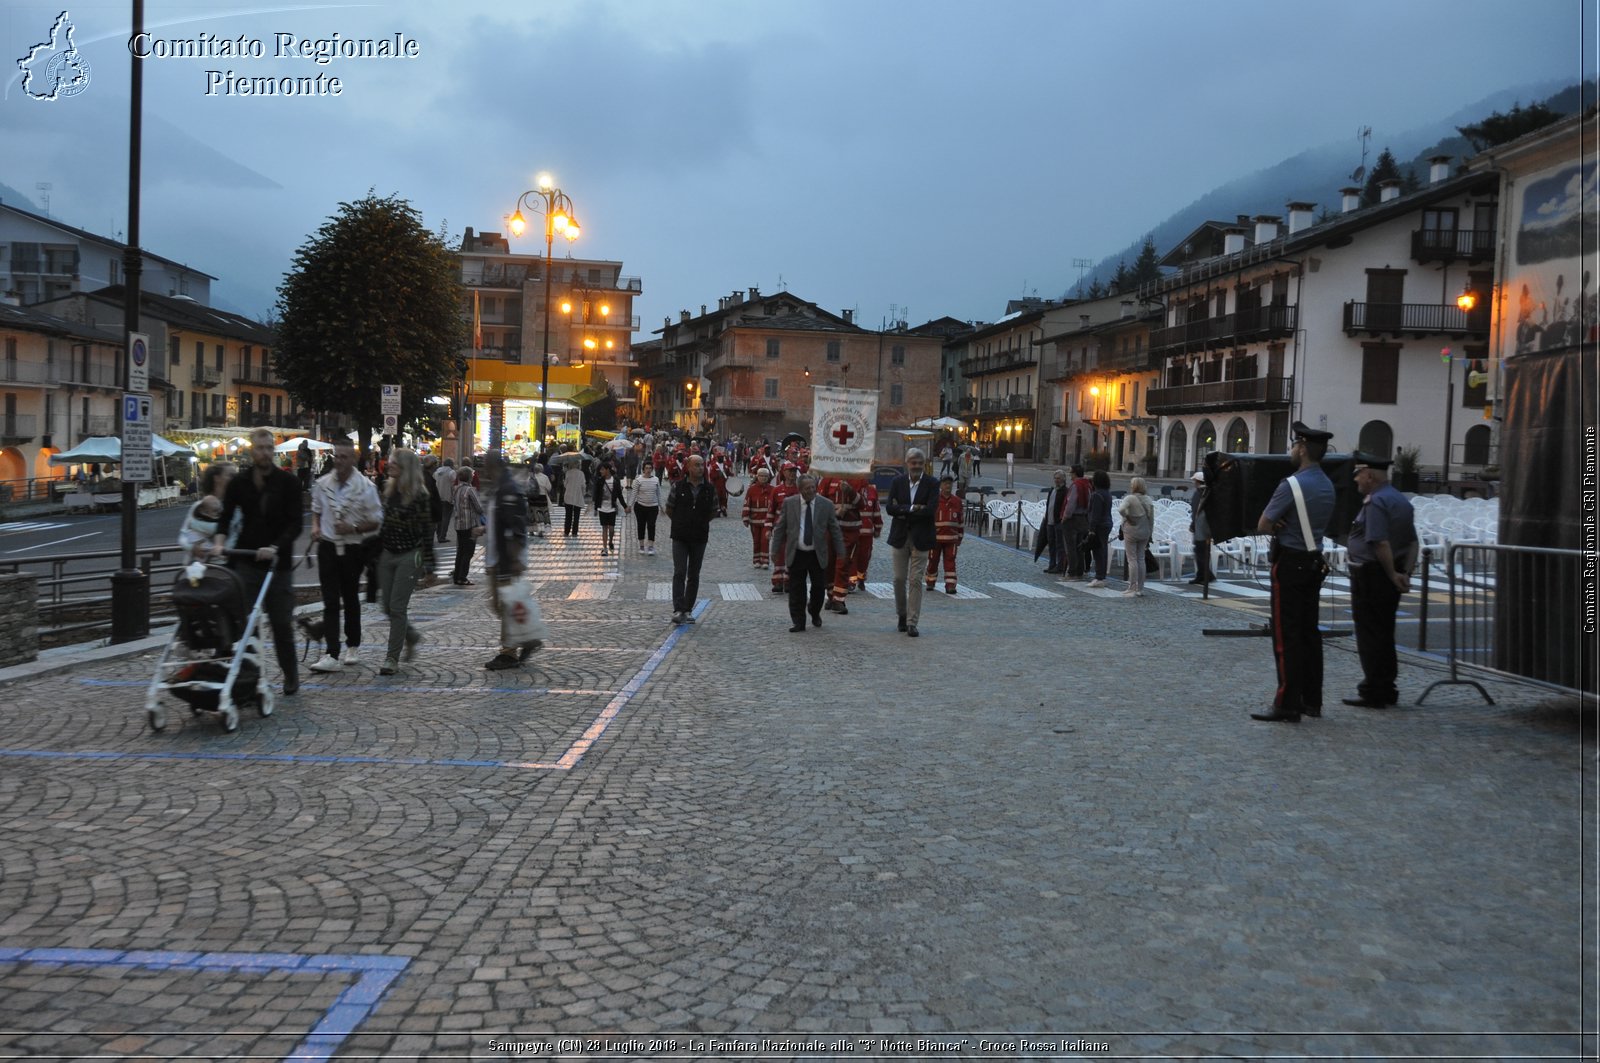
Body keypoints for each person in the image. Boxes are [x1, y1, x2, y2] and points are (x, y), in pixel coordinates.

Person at [1251, 422, 1336, 724]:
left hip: (1289, 564)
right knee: (1309, 634)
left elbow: (1263, 523)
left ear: (1301, 449)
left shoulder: (1292, 484)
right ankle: (1312, 700)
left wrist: (1277, 525)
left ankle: (1287, 703)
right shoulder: (1327, 484)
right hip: (1313, 561)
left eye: (1294, 446)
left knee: (1286, 636)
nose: (1292, 450)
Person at [212, 427, 302, 697]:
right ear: (252, 450)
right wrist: (219, 542)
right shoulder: (239, 483)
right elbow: (226, 517)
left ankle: (290, 674)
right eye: (260, 448)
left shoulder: (288, 483)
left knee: (281, 623)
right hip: (246, 560)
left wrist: (275, 547)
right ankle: (249, 677)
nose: (265, 453)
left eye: (269, 448)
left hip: (278, 564)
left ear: (273, 450)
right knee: (245, 622)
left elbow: (295, 523)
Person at [1342, 452, 1417, 709]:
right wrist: (1404, 573)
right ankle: (1386, 687)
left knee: (1370, 634)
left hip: (1372, 574)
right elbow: (1413, 542)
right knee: (1385, 632)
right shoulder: (1400, 500)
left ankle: (1373, 689)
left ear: (1370, 475)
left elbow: (1379, 542)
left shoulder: (1375, 502)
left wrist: (1391, 574)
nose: (1356, 481)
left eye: (1359, 475)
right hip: (1391, 573)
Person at [308, 440, 384, 673]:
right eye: (337, 456)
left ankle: (353, 644)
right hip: (328, 547)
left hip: (352, 548)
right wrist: (315, 527)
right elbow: (317, 510)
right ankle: (332, 652)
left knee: (350, 597)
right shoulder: (322, 484)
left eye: (344, 457)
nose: (339, 461)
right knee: (330, 600)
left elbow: (377, 519)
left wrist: (353, 528)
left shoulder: (365, 487)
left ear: (353, 459)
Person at [374, 448, 434, 676]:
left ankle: (392, 658)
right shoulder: (388, 490)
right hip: (388, 552)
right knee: (387, 606)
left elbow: (427, 531)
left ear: (406, 468)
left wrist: (429, 565)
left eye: (394, 464)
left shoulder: (420, 495)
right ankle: (411, 635)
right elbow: (383, 524)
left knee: (397, 607)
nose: (389, 466)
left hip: (410, 554)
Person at [483, 451, 544, 669]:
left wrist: (516, 556)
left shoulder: (508, 489)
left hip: (506, 557)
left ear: (494, 466)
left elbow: (516, 526)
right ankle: (527, 638)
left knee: (506, 604)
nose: (485, 470)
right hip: (497, 556)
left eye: (486, 465)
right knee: (499, 604)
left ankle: (508, 652)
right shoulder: (499, 488)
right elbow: (499, 521)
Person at [768, 473, 845, 633]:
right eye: (807, 488)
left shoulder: (826, 505)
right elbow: (781, 527)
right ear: (800, 489)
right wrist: (774, 550)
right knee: (797, 589)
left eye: (813, 487)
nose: (811, 490)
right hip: (797, 553)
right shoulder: (790, 504)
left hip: (817, 553)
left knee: (818, 588)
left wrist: (841, 550)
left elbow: (834, 529)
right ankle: (798, 621)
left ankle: (814, 611)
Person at [885, 447, 938, 637]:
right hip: (900, 536)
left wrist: (903, 509)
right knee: (899, 579)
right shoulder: (897, 482)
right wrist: (914, 508)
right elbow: (890, 508)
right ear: (907, 463)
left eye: (920, 463)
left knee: (915, 580)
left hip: (921, 537)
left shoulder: (932, 483)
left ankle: (912, 622)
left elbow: (931, 510)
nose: (916, 466)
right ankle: (902, 613)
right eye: (913, 462)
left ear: (924, 464)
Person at [665, 453, 717, 624]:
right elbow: (670, 509)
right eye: (697, 465)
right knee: (679, 571)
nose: (700, 468)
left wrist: (699, 523)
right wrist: (682, 522)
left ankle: (688, 609)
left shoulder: (709, 489)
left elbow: (713, 511)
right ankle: (678, 608)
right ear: (688, 467)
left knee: (694, 574)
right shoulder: (678, 487)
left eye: (702, 465)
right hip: (680, 536)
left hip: (699, 537)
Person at [178, 462, 235, 561]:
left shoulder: (237, 507)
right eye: (231, 475)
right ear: (217, 478)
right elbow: (183, 535)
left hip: (227, 565)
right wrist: (192, 547)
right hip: (203, 566)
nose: (235, 478)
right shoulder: (199, 506)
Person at [823, 475, 861, 613]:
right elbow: (819, 503)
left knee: (843, 564)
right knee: (828, 564)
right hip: (830, 529)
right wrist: (835, 512)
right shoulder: (827, 479)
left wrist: (851, 491)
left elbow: (862, 504)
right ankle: (831, 595)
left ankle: (839, 600)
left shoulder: (859, 479)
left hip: (849, 531)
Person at [925, 474, 964, 594]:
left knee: (950, 562)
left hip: (951, 539)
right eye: (945, 483)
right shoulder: (933, 500)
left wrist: (959, 538)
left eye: (950, 483)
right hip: (935, 538)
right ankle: (930, 581)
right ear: (940, 485)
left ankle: (950, 585)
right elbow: (927, 519)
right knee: (933, 561)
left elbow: (961, 521)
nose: (948, 485)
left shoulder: (957, 501)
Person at [1117, 476, 1155, 597]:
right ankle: (1140, 588)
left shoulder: (1130, 498)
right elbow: (1152, 520)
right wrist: (1150, 534)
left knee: (1131, 559)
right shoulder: (1148, 499)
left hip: (1131, 530)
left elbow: (1121, 509)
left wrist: (1128, 517)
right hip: (1145, 531)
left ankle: (1132, 586)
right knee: (1141, 558)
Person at [767, 462, 801, 595]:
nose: (792, 473)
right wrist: (768, 528)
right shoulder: (776, 490)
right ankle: (778, 581)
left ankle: (789, 581)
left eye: (794, 470)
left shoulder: (800, 489)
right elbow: (771, 511)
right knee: (779, 554)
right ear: (784, 473)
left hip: (796, 528)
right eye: (790, 471)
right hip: (780, 528)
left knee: (792, 555)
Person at [451, 466, 484, 586]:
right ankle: (462, 577)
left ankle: (457, 576)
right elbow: (479, 507)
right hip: (470, 524)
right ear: (470, 477)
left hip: (459, 523)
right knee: (468, 551)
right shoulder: (470, 490)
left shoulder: (456, 489)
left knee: (460, 550)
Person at [850, 477, 881, 592]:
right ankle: (851, 581)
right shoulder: (850, 488)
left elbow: (876, 510)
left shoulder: (872, 491)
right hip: (853, 529)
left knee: (864, 557)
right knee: (851, 556)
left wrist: (878, 526)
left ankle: (861, 577)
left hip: (867, 532)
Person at [593, 459, 628, 556]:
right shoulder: (600, 481)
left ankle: (610, 541)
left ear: (608, 470)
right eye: (600, 470)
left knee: (611, 529)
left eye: (602, 469)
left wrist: (625, 506)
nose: (601, 471)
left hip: (612, 507)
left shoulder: (615, 480)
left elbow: (619, 495)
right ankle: (604, 548)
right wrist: (596, 508)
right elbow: (596, 495)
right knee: (604, 528)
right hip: (602, 507)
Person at [741, 466, 774, 568]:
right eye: (761, 476)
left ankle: (765, 561)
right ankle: (756, 560)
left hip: (767, 521)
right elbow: (747, 504)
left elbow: (775, 505)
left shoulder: (772, 490)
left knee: (765, 541)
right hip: (754, 520)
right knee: (756, 541)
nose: (763, 478)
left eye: (765, 476)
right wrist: (745, 518)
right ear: (757, 476)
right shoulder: (752, 490)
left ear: (768, 477)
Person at [1085, 470, 1113, 588]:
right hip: (1107, 523)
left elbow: (1095, 514)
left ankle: (1099, 576)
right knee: (1103, 549)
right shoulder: (1107, 493)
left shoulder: (1097, 495)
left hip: (1099, 525)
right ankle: (1102, 575)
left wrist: (1091, 529)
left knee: (1097, 551)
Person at [1064, 464, 1092, 580]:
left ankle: (1072, 572)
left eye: (1070, 473)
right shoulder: (1087, 484)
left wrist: (1065, 517)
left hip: (1073, 518)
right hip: (1083, 518)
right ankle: (1080, 570)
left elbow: (1071, 503)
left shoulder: (1075, 485)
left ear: (1074, 473)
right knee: (1080, 547)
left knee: (1071, 547)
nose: (1070, 475)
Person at [1041, 469, 1071, 574]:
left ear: (1063, 479)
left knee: (1060, 546)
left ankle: (1060, 566)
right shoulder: (1052, 490)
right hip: (1049, 521)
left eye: (1058, 478)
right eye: (1055, 478)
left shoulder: (1065, 491)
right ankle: (1052, 564)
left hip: (1058, 522)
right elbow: (1049, 505)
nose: (1056, 480)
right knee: (1051, 544)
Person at [1189, 469, 1215, 585]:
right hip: (1206, 527)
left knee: (1200, 552)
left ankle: (1204, 575)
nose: (1193, 483)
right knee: (1203, 552)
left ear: (1198, 481)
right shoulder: (1208, 492)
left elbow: (1196, 512)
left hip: (1200, 527)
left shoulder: (1199, 493)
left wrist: (1193, 524)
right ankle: (1204, 574)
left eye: (1194, 480)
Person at [632, 461, 662, 555]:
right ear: (643, 469)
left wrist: (661, 506)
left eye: (650, 468)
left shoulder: (656, 480)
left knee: (651, 525)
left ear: (652, 469)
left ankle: (650, 546)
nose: (648, 470)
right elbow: (634, 493)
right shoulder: (638, 480)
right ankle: (641, 546)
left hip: (653, 507)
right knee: (641, 525)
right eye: (646, 468)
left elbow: (659, 494)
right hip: (640, 506)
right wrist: (629, 505)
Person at [559, 448, 588, 538]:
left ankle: (566, 531)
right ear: (578, 465)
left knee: (568, 515)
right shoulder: (581, 474)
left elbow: (565, 485)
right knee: (576, 516)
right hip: (578, 496)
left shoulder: (568, 473)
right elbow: (583, 485)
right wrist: (583, 493)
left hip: (568, 496)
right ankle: (574, 532)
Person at [434, 458, 457, 543]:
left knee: (439, 518)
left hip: (438, 497)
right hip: (448, 497)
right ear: (451, 464)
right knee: (446, 518)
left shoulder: (436, 472)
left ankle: (438, 535)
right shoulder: (452, 472)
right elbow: (453, 486)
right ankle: (442, 536)